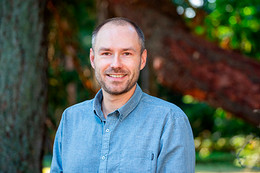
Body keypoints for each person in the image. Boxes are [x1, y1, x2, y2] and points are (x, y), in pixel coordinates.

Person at [50, 17, 195, 173]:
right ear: (93, 59)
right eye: (106, 53)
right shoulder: (71, 119)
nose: (116, 64)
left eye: (126, 53)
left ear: (142, 59)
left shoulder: (170, 121)